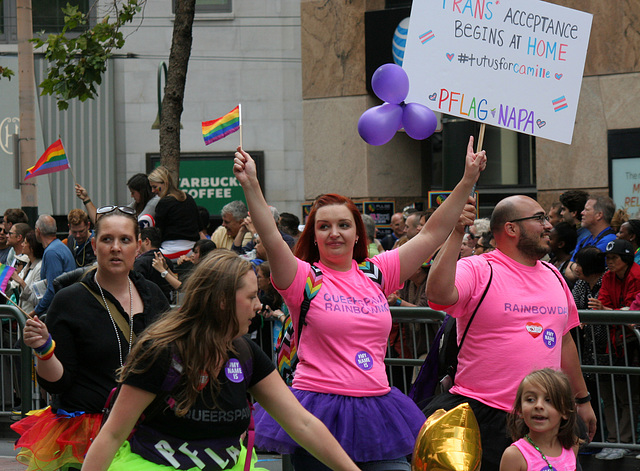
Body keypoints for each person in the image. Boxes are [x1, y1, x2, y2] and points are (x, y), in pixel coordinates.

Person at [234, 137, 486, 470]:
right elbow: (271, 238)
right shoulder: (302, 278)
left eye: (343, 225)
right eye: (324, 226)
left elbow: (430, 235)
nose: (334, 233)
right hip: (317, 413)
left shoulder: (378, 272)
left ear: (357, 234)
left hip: (377, 410)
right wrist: (251, 184)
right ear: (314, 235)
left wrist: (467, 179)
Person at [81, 250, 361, 471]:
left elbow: (303, 423)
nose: (257, 305)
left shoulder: (246, 353)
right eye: (251, 297)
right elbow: (113, 435)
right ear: (223, 300)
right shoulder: (160, 352)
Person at [425, 194, 596, 471]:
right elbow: (437, 295)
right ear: (511, 228)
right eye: (539, 218)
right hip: (485, 416)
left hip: (547, 417)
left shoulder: (554, 275)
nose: (549, 225)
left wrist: (582, 399)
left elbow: (564, 342)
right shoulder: (479, 268)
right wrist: (456, 232)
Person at [11, 206, 170, 471]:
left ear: (138, 246)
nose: (116, 247)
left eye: (125, 240)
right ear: (94, 245)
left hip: (146, 433)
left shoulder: (153, 295)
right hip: (86, 435)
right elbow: (58, 383)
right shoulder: (69, 300)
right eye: (107, 239)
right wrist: (44, 349)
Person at [500, 369, 579, 471]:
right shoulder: (514, 456)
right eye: (530, 399)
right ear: (520, 409)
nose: (538, 406)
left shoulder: (572, 448)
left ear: (565, 411)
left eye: (548, 400)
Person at [148, 166, 202, 260]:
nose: (153, 191)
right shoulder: (189, 198)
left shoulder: (164, 202)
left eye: (155, 187)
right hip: (192, 249)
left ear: (164, 183)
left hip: (171, 250)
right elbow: (199, 225)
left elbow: (159, 230)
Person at [30, 215, 77, 318]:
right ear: (55, 229)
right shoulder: (59, 247)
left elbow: (53, 288)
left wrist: (35, 311)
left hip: (59, 311)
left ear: (38, 231)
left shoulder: (51, 252)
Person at [133, 227, 176, 303]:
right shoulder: (168, 262)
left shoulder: (139, 263)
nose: (137, 245)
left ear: (147, 241)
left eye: (139, 242)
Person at [571, 195, 616, 261]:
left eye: (587, 210)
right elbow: (569, 269)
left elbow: (586, 266)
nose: (582, 213)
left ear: (599, 215)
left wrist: (575, 266)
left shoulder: (609, 241)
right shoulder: (584, 240)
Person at [9, 231, 44, 313]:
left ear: (32, 247)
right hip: (23, 316)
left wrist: (20, 281)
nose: (22, 245)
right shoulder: (27, 266)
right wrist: (5, 280)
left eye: (24, 242)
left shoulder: (40, 267)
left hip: (32, 317)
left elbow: (35, 299)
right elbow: (11, 288)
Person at [549, 221, 578, 288]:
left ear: (560, 244)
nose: (547, 241)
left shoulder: (570, 266)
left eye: (550, 239)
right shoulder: (553, 261)